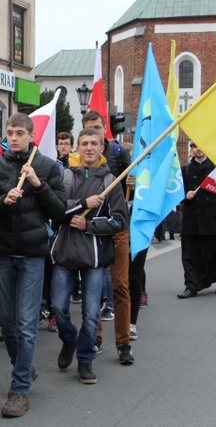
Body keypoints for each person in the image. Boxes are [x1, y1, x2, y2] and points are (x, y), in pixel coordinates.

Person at [0, 112, 66, 418]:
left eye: (19, 132)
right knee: (7, 322)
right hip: (4, 251)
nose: (13, 137)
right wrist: (4, 201)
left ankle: (19, 389)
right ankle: (24, 367)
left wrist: (37, 184)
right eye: (10, 133)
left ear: (32, 136)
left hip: (32, 253)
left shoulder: (48, 166)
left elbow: (59, 212)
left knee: (27, 324)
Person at [50, 128, 127, 385]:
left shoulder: (110, 181)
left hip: (95, 257)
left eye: (94, 143)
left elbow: (119, 221)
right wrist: (84, 203)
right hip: (65, 253)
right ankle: (69, 340)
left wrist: (90, 226)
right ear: (77, 148)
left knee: (91, 312)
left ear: (101, 148)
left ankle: (85, 360)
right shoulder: (64, 177)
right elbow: (56, 212)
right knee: (59, 307)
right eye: (84, 144)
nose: (89, 148)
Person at [77, 111, 134, 365]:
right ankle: (95, 337)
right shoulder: (76, 162)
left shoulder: (118, 153)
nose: (93, 133)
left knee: (120, 286)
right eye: (88, 129)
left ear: (104, 130)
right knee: (94, 287)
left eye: (97, 128)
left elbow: (129, 185)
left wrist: (131, 183)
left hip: (115, 228)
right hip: (90, 229)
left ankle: (123, 342)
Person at [177, 143, 216, 298]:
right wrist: (185, 196)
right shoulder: (185, 171)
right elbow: (176, 192)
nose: (198, 150)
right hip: (191, 219)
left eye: (201, 147)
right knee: (190, 254)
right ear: (191, 150)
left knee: (215, 253)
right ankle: (191, 285)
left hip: (211, 217)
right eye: (195, 147)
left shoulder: (215, 170)